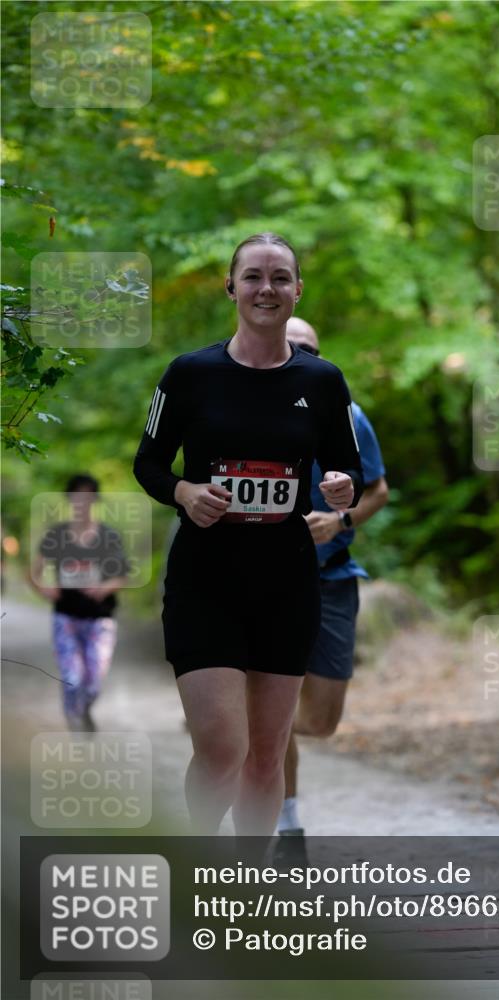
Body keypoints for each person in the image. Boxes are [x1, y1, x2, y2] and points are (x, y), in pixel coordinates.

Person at [133, 232, 363, 836]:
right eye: (254, 276)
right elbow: (149, 465)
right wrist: (184, 491)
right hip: (205, 584)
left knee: (267, 757)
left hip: (286, 586)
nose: (267, 288)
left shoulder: (323, 381)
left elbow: (348, 469)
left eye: (281, 277)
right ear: (231, 287)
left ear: (297, 290)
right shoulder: (190, 374)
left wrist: (341, 488)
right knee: (222, 750)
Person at [278, 318, 388, 839]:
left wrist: (338, 521)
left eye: (312, 350)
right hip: (267, 582)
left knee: (321, 720)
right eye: (293, 347)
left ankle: (249, 727)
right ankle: (286, 821)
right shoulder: (248, 413)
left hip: (333, 578)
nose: (303, 356)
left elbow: (379, 491)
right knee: (273, 699)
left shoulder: (350, 417)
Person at [29, 473, 129, 732]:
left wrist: (103, 587)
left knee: (93, 681)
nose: (82, 502)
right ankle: (74, 721)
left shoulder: (108, 536)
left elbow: (122, 575)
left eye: (87, 496)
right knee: (72, 677)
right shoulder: (57, 535)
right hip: (66, 617)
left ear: (95, 500)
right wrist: (44, 589)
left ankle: (84, 709)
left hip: (100, 619)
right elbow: (34, 572)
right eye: (77, 496)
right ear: (69, 499)